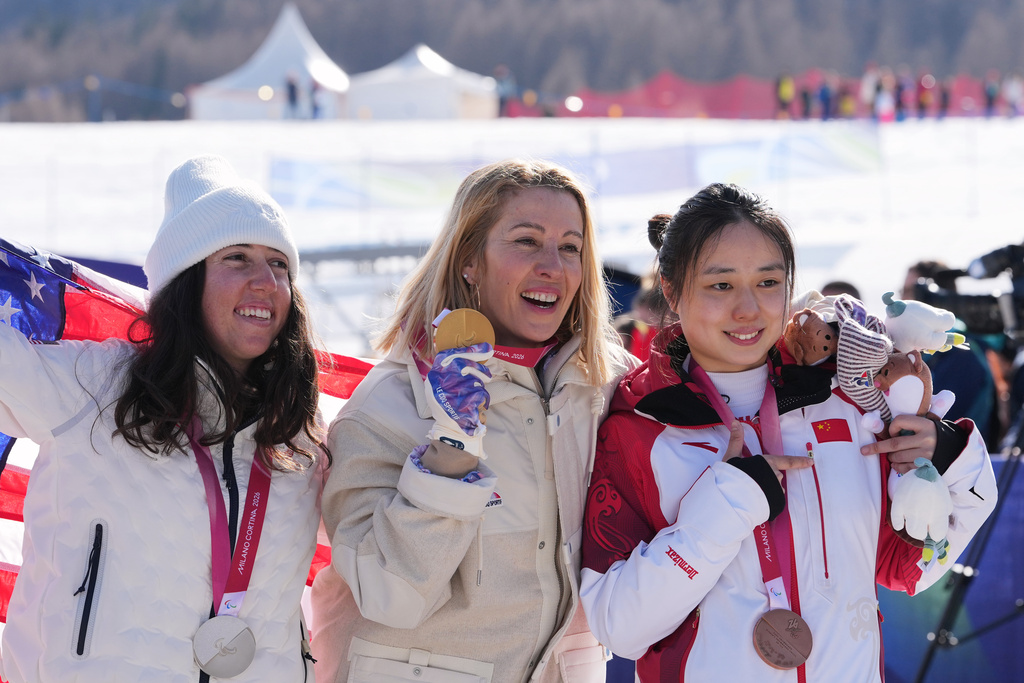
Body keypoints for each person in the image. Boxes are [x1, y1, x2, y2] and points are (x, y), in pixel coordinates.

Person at [579, 183, 997, 682]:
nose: (748, 310)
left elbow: (908, 566)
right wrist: (725, 505)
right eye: (720, 285)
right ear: (671, 289)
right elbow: (619, 627)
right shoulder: (637, 425)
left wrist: (950, 458)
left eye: (768, 282)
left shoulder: (849, 403)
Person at [0, 155, 328, 682]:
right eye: (237, 258)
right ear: (186, 281)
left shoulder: (301, 436)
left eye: (279, 263)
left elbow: (382, 554)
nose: (266, 280)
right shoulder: (95, 388)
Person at [310, 159, 638, 683]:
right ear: (470, 260)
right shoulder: (390, 404)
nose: (553, 265)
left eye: (570, 247)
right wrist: (450, 450)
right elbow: (390, 595)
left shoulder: (604, 388)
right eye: (527, 241)